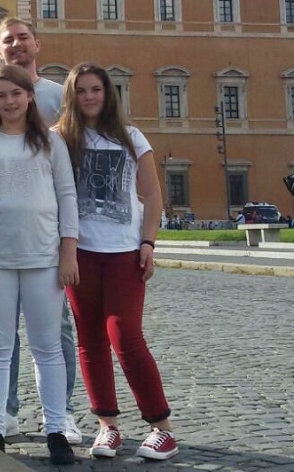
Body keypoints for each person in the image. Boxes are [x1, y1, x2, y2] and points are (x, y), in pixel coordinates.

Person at [55, 63, 179, 461]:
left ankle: (162, 428)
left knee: (126, 337)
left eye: (97, 90)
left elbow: (153, 196)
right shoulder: (61, 138)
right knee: (89, 341)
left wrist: (148, 242)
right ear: (72, 97)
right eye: (82, 91)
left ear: (108, 95)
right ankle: (107, 426)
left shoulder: (132, 138)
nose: (90, 97)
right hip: (81, 252)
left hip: (124, 251)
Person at [0, 65, 79, 465]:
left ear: (30, 96)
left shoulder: (51, 144)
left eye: (16, 94)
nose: (9, 101)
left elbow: (67, 197)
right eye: (1, 96)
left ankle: (56, 428)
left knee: (48, 348)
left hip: (44, 258)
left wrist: (68, 252)